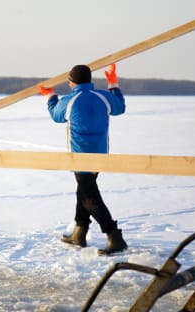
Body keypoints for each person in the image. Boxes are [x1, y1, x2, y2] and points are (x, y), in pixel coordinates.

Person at [38, 64, 127, 255]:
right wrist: (113, 83)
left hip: (80, 156)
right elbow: (119, 107)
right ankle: (79, 232)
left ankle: (114, 236)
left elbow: (56, 115)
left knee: (89, 196)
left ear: (71, 82)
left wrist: (50, 95)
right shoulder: (103, 97)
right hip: (100, 154)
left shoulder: (70, 100)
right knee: (85, 190)